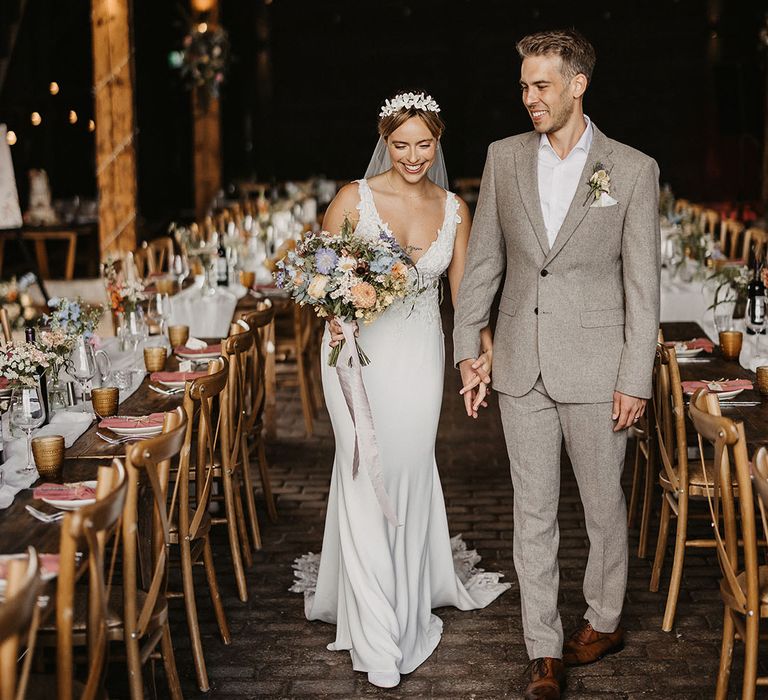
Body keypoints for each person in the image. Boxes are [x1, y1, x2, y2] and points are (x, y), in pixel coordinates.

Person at [454, 30, 660, 700]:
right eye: (523, 86)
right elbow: (483, 263)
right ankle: (542, 648)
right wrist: (467, 351)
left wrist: (636, 376)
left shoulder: (631, 169)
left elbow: (642, 288)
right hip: (518, 364)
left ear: (578, 84)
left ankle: (603, 621)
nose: (529, 98)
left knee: (603, 509)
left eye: (541, 84)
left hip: (600, 368)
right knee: (532, 511)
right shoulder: (503, 158)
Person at [290, 91, 510, 689]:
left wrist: (476, 357)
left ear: (438, 141)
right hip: (353, 356)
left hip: (418, 358)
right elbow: (316, 275)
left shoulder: (454, 209)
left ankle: (404, 592)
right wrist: (332, 311)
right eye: (401, 144)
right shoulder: (351, 200)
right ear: (384, 141)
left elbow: (465, 299)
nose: (413, 156)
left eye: (424, 143)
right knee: (363, 469)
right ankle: (378, 632)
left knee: (408, 467)